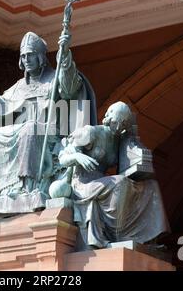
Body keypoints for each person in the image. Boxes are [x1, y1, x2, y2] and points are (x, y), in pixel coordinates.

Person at [0, 31, 96, 199]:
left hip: (50, 134)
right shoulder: (18, 87)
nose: (26, 60)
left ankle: (27, 186)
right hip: (24, 131)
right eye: (23, 56)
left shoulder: (54, 78)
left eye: (30, 55)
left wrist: (64, 54)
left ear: (41, 57)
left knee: (29, 127)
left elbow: (69, 87)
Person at [58, 101, 170, 250]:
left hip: (102, 183)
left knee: (151, 186)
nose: (120, 126)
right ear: (109, 116)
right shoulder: (90, 133)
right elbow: (62, 158)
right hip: (83, 184)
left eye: (124, 123)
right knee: (119, 183)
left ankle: (148, 238)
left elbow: (130, 154)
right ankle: (117, 235)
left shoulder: (118, 140)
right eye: (118, 120)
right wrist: (78, 157)